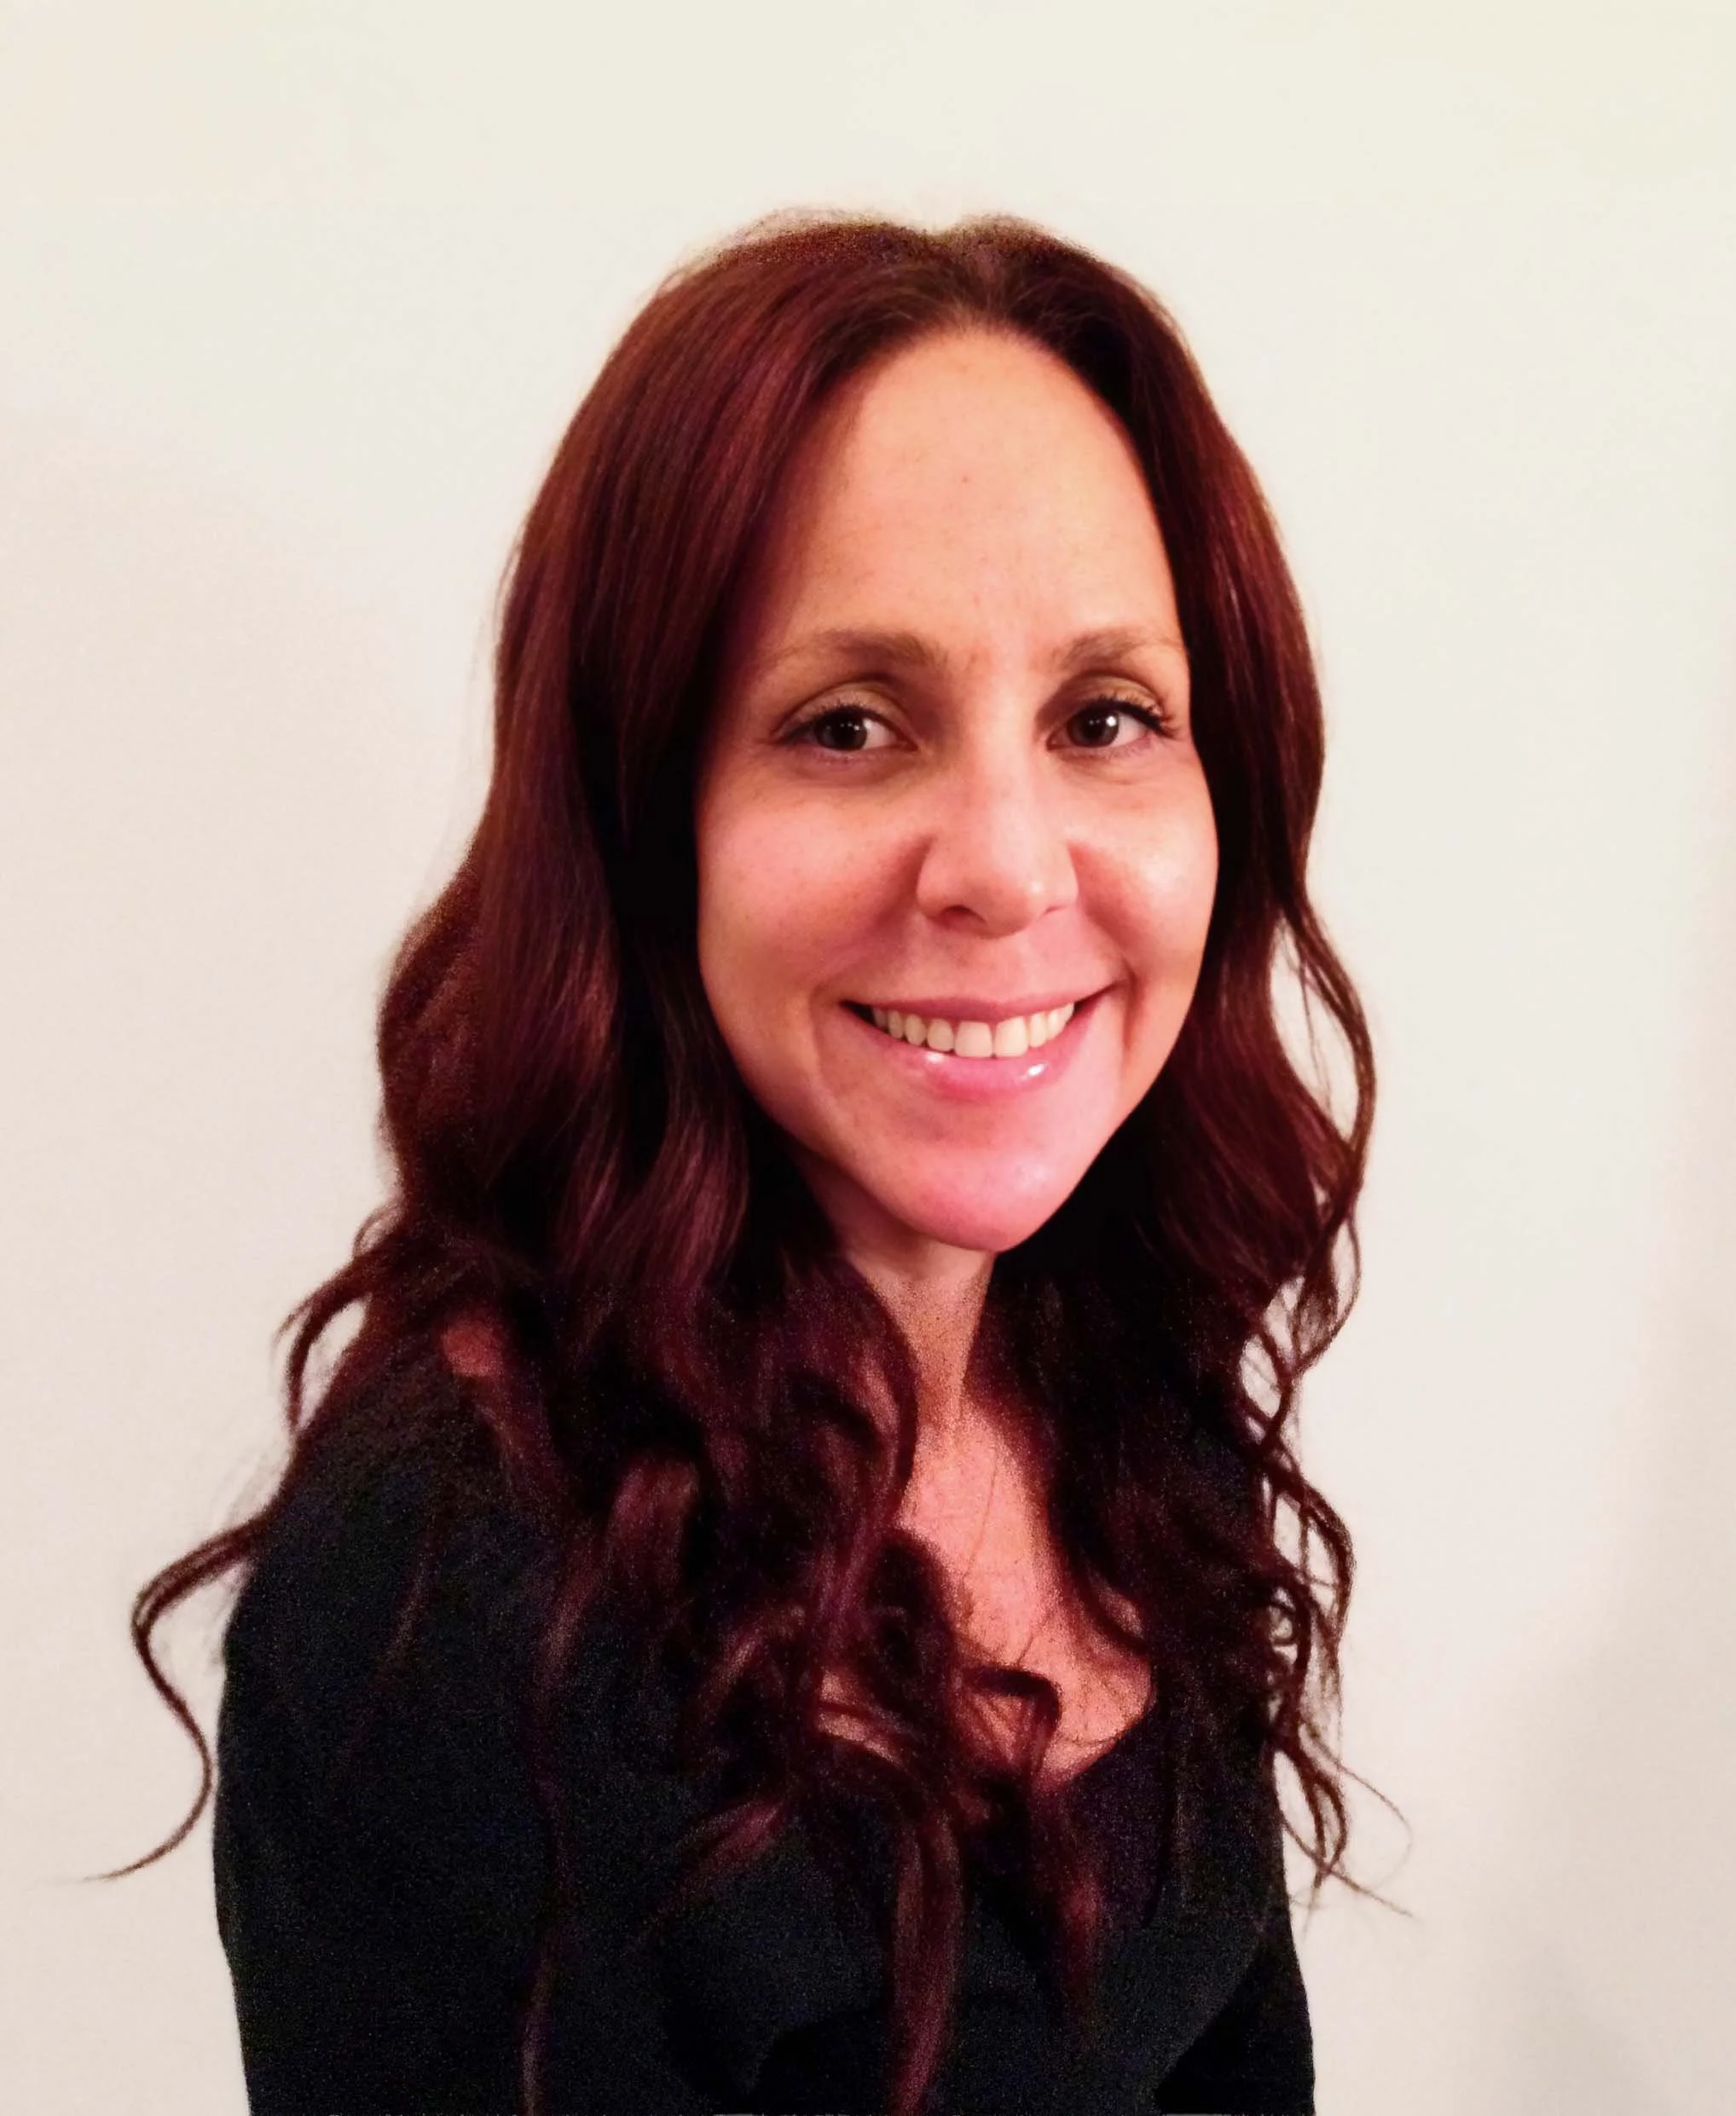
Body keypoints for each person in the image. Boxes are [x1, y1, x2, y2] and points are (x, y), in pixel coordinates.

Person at [122, 207, 1380, 2115]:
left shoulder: (1119, 1370)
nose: (1009, 867)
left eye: (1104, 716)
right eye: (850, 724)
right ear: (644, 822)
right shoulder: (454, 1610)